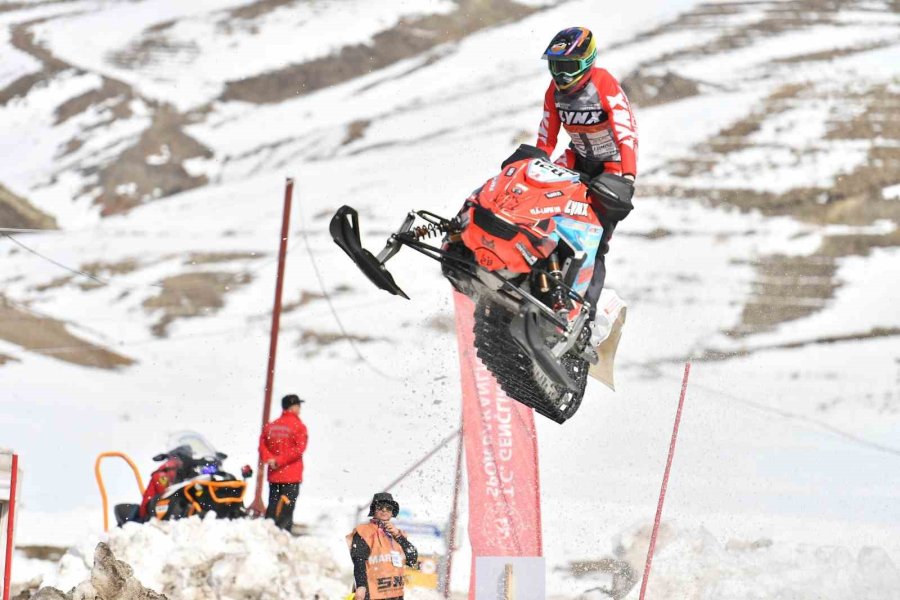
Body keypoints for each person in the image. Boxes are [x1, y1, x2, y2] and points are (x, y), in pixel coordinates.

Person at [536, 26, 638, 344]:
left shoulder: (604, 83)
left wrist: (629, 177)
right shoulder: (553, 93)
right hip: (576, 160)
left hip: (611, 168)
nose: (561, 75)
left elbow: (626, 131)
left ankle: (587, 319)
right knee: (540, 209)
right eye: (555, 66)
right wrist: (534, 165)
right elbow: (546, 136)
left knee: (595, 245)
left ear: (586, 62)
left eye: (567, 67)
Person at [347, 493, 418, 600]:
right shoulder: (364, 531)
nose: (384, 510)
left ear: (392, 512)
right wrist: (361, 586)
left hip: (395, 594)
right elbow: (359, 561)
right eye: (380, 507)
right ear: (374, 510)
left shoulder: (397, 535)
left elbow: (412, 559)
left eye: (388, 508)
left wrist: (398, 536)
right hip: (371, 593)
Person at [258, 394, 308, 530]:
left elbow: (262, 446)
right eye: (298, 405)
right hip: (291, 475)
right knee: (286, 510)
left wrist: (271, 459)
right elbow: (299, 450)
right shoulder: (299, 426)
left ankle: (268, 532)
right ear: (293, 407)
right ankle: (282, 535)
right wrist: (279, 460)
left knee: (273, 505)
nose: (300, 408)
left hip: (274, 475)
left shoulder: (271, 426)